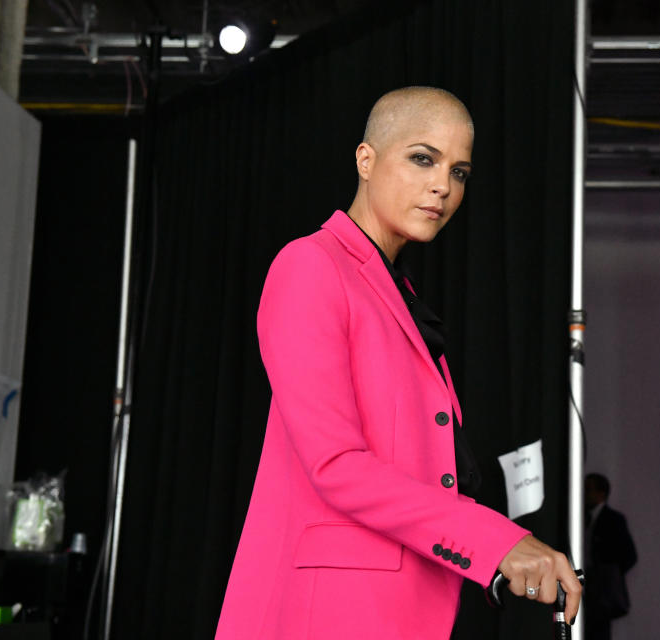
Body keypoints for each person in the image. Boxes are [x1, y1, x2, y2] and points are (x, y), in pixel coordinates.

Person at [214, 87, 582, 639]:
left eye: (459, 172)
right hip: (334, 613)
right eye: (422, 158)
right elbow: (336, 464)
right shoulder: (310, 267)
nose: (442, 186)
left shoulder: (396, 292)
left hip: (404, 608)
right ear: (366, 159)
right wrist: (495, 542)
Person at [583, 473, 637, 640]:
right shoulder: (581, 518)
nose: (585, 494)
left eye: (588, 489)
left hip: (601, 590)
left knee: (598, 631)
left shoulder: (614, 520)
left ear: (601, 494)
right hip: (581, 583)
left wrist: (608, 575)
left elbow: (629, 555)